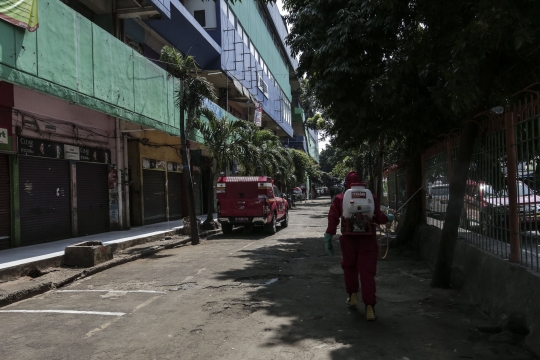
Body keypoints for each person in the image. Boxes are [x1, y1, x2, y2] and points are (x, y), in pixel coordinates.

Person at [323, 171, 388, 321]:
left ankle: (352, 296)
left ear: (346, 183)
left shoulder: (340, 198)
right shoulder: (371, 196)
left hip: (349, 240)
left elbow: (333, 217)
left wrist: (328, 235)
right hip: (368, 240)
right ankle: (370, 308)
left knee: (350, 268)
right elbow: (379, 217)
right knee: (367, 273)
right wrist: (388, 217)